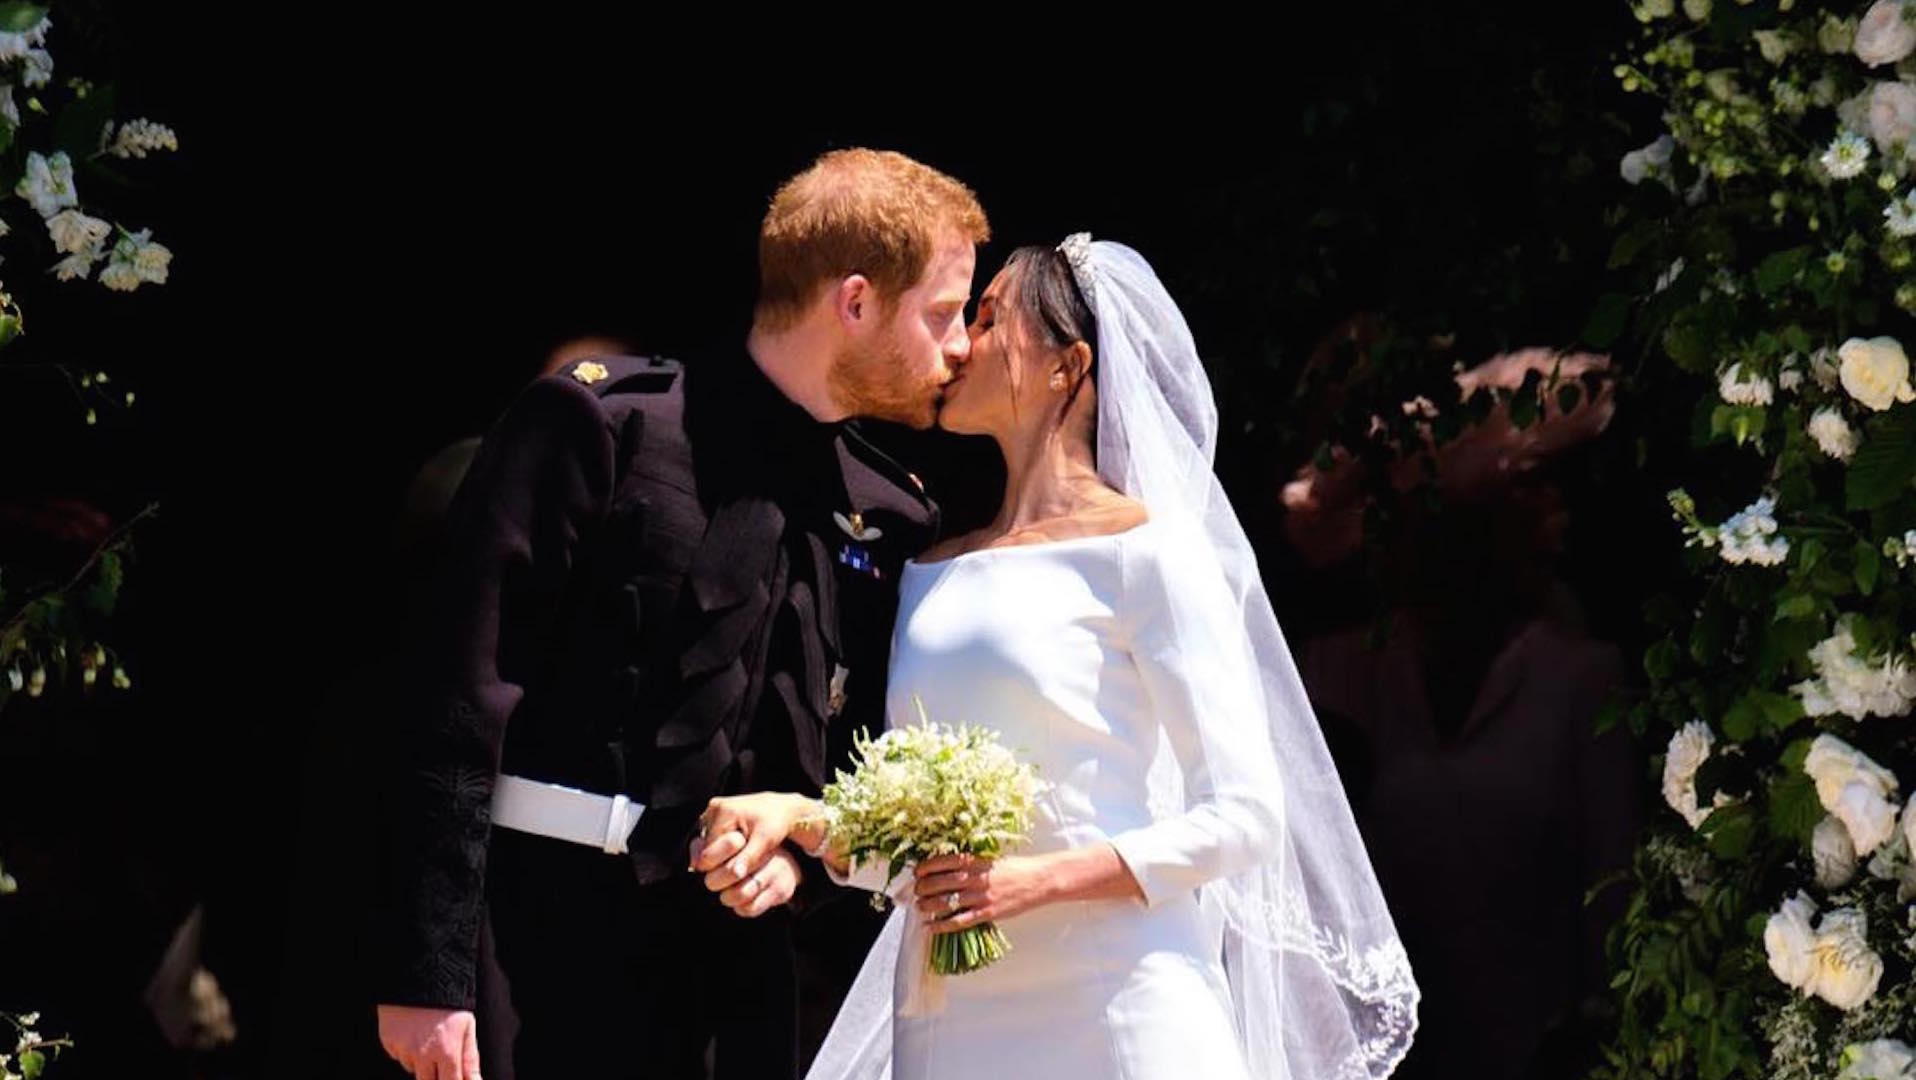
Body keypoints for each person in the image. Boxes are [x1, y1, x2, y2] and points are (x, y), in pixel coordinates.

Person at [696, 237, 1419, 1079]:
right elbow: (915, 852)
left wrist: (1031, 883)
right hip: (949, 1014)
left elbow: (1245, 816)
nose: (961, 341)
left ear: (1064, 368)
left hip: (1116, 1002)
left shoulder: (1147, 554)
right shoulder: (929, 570)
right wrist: (804, 817)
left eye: (992, 317)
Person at [373, 147, 989, 1080]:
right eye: (941, 315)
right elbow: (457, 700)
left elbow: (862, 759)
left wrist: (804, 867)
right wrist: (428, 972)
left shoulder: (894, 513)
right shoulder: (601, 428)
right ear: (854, 302)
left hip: (743, 991)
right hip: (537, 942)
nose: (961, 348)